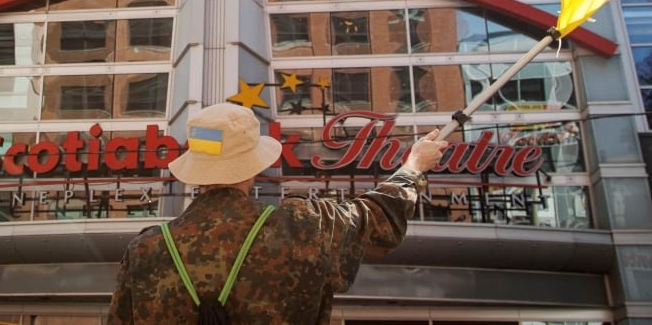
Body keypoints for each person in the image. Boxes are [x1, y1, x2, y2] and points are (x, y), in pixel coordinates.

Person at [107, 102, 449, 324]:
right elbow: (377, 218)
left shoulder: (146, 250)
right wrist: (414, 165)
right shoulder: (304, 227)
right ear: (253, 165)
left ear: (197, 167)